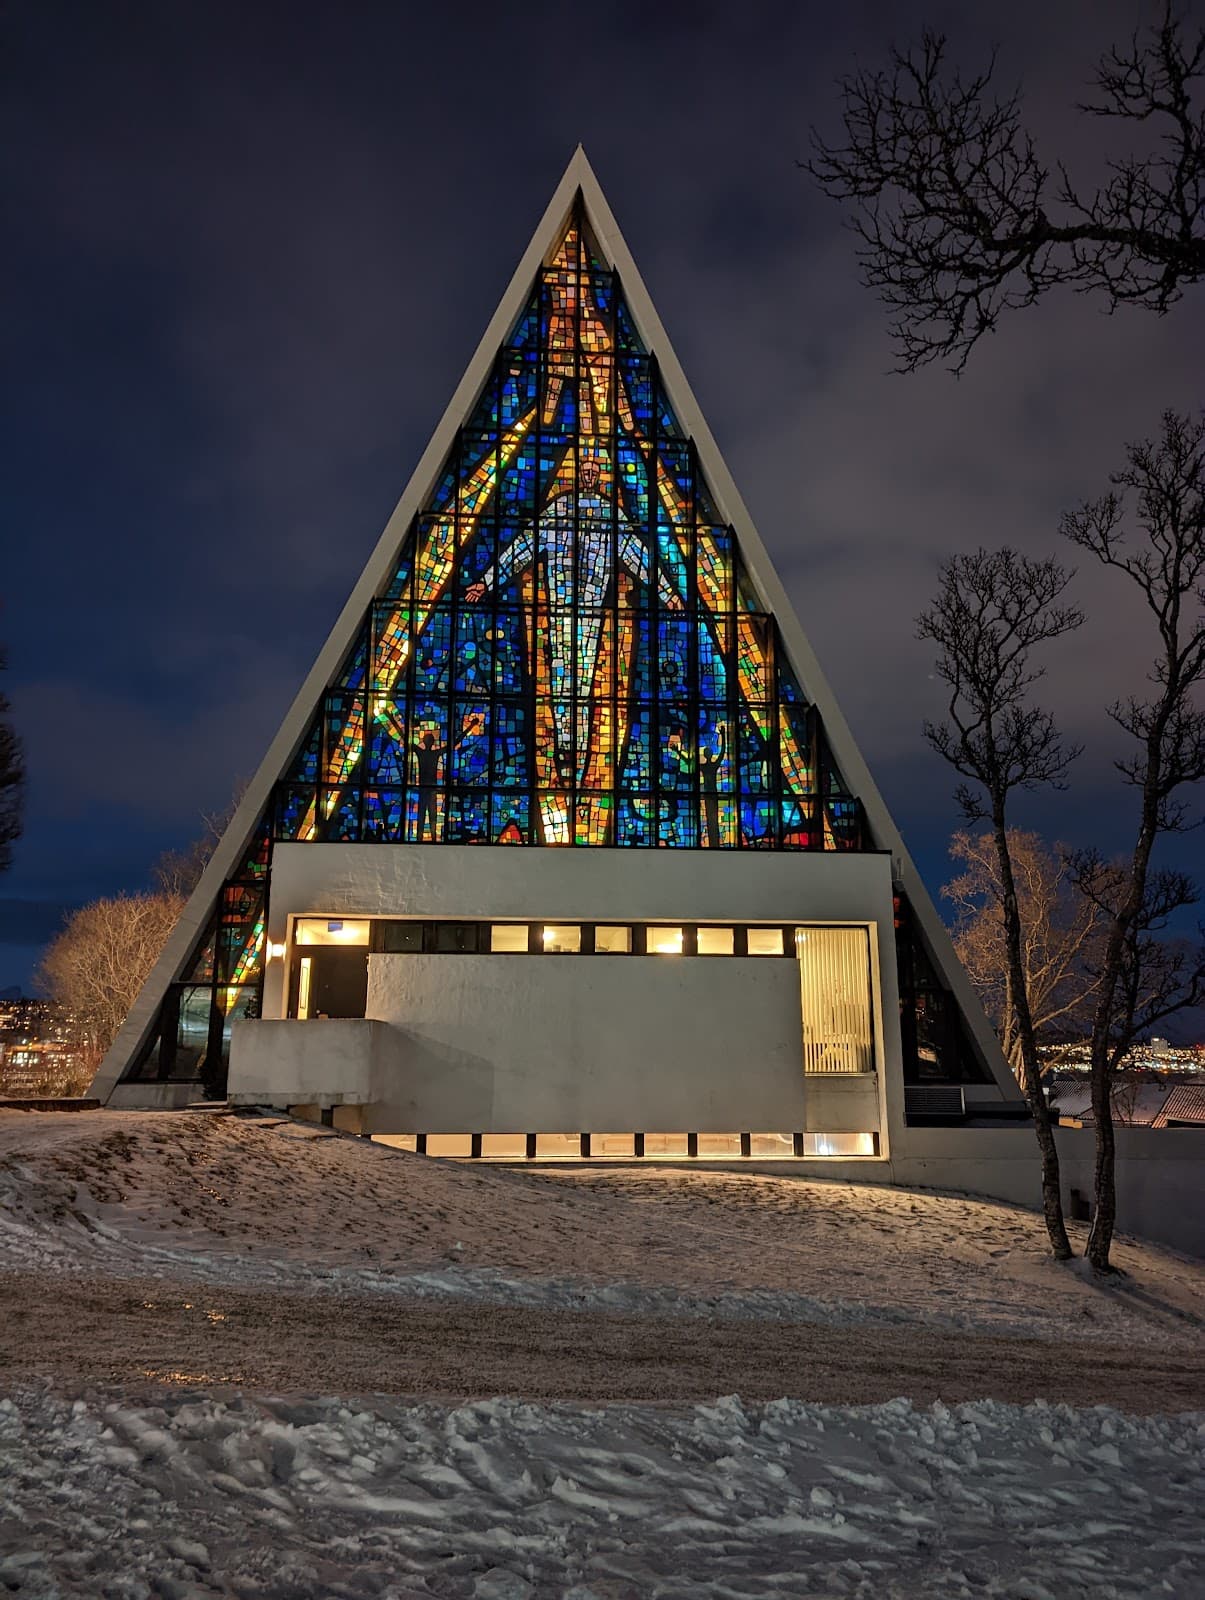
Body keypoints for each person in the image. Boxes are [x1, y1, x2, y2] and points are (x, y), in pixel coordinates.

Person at [465, 458, 681, 787]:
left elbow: (639, 557)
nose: (590, 477)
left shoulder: (611, 514)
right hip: (561, 605)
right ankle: (568, 745)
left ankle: (576, 746)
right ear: (579, 474)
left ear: (599, 477)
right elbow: (521, 547)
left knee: (583, 672)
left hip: (591, 606)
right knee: (562, 673)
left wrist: (667, 593)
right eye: (586, 471)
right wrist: (487, 582)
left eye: (595, 473)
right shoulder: (559, 509)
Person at [413, 718, 480, 841]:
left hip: (426, 789)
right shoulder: (433, 754)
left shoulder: (422, 753)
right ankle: (430, 839)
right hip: (429, 789)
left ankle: (423, 839)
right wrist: (470, 726)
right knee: (429, 815)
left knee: (423, 815)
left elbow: (454, 744)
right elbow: (454, 743)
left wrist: (471, 727)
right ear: (431, 742)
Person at [698, 723, 728, 848]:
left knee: (712, 819)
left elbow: (722, 752)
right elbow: (721, 752)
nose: (708, 754)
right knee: (711, 819)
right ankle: (713, 843)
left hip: (711, 795)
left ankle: (714, 843)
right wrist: (723, 735)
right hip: (710, 795)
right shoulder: (708, 766)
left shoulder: (706, 767)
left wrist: (723, 735)